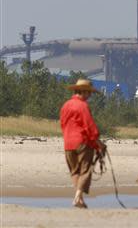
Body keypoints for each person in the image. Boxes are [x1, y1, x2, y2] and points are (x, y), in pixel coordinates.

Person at [60, 79, 105, 208]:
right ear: (83, 92)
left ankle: (79, 199)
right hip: (82, 143)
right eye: (89, 93)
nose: (90, 96)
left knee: (75, 172)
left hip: (68, 143)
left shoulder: (66, 105)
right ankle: (77, 198)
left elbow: (63, 124)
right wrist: (99, 144)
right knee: (85, 171)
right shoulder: (83, 106)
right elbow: (90, 127)